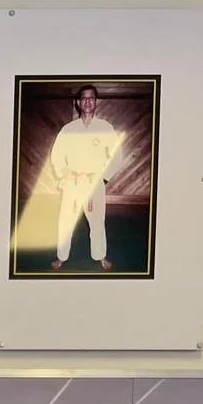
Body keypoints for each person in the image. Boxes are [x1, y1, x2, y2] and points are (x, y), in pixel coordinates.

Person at [49, 84, 122, 272]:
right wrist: (63, 174)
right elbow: (57, 155)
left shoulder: (105, 127)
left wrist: (104, 177)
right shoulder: (68, 129)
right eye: (84, 98)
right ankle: (61, 257)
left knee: (97, 221)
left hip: (93, 182)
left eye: (91, 98)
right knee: (65, 220)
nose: (87, 101)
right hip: (72, 181)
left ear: (96, 102)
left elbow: (117, 154)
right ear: (78, 102)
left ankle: (100, 256)